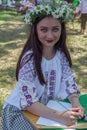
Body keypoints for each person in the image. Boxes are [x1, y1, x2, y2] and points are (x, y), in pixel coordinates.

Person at [2, 1, 84, 130]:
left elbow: (69, 83)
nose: (50, 35)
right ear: (35, 30)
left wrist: (75, 103)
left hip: (45, 112)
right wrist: (60, 116)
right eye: (43, 29)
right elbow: (28, 103)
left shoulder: (61, 56)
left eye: (55, 29)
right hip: (19, 111)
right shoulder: (30, 59)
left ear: (62, 29)